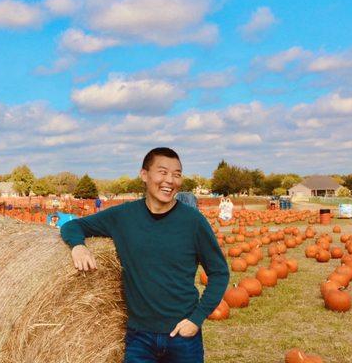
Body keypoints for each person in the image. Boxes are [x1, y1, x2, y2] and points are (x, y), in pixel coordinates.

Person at [60, 147, 229, 363]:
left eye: (177, 174)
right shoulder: (123, 217)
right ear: (144, 175)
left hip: (183, 338)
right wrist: (78, 246)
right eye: (163, 172)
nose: (170, 180)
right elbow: (73, 225)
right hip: (140, 339)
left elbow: (219, 272)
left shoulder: (193, 222)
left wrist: (196, 319)